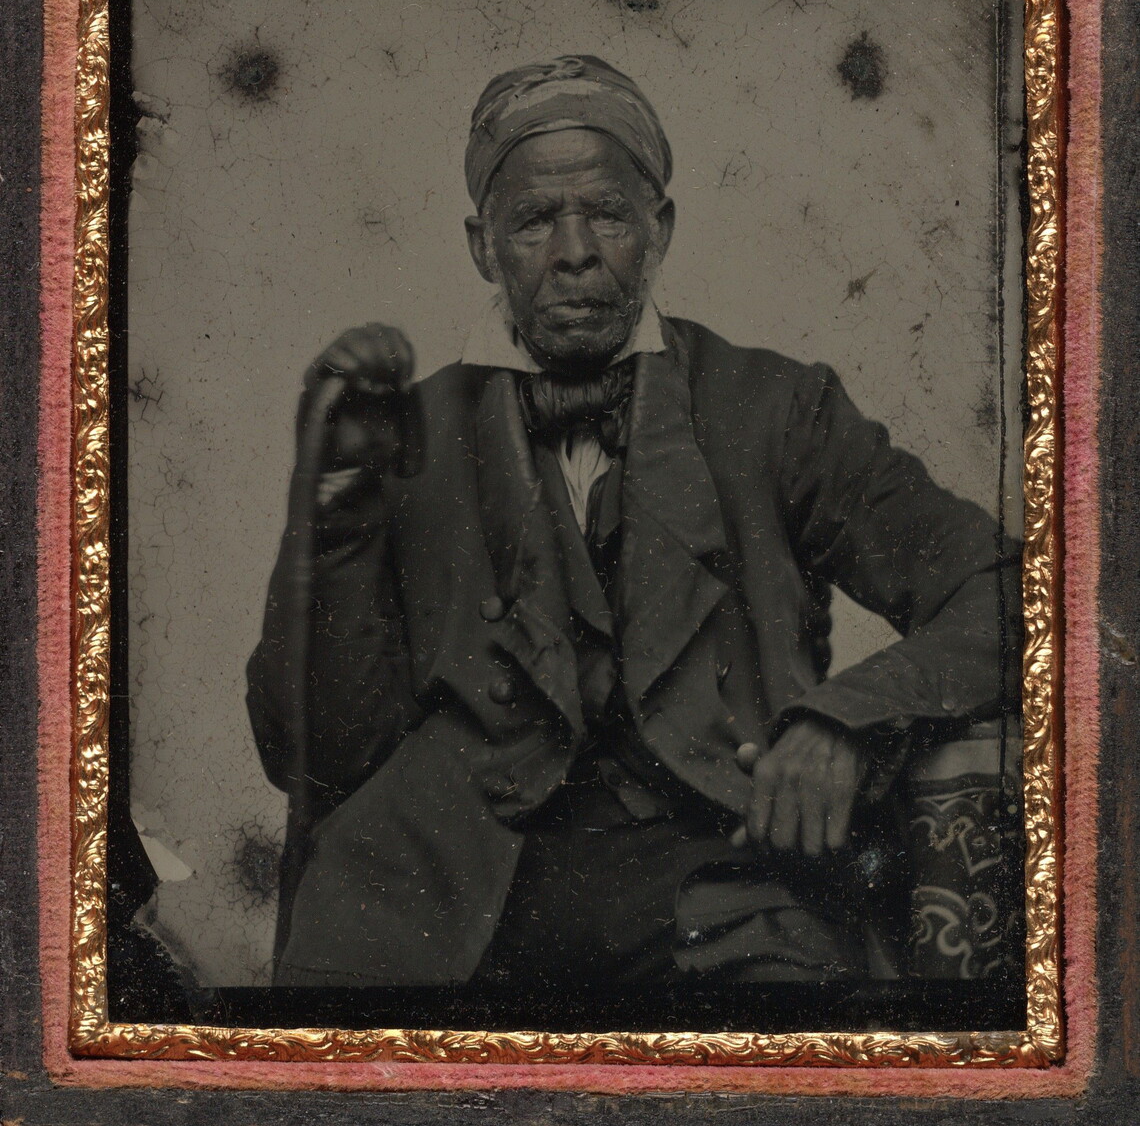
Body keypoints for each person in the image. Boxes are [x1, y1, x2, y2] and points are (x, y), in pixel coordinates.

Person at [247, 54, 1019, 988]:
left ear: (659, 230)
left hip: (715, 882)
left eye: (607, 214)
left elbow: (1006, 590)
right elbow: (315, 757)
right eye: (534, 220)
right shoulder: (400, 436)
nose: (575, 251)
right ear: (481, 245)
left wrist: (845, 720)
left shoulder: (777, 408)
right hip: (444, 905)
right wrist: (329, 532)